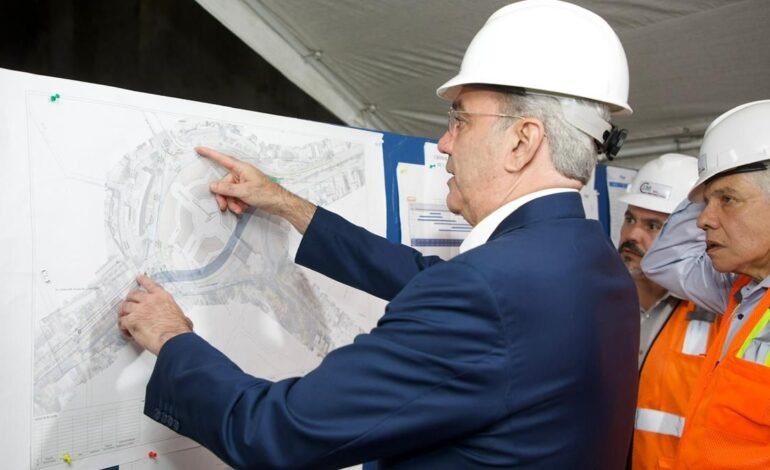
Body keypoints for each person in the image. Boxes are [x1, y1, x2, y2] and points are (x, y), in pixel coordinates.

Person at [118, 1, 639, 468]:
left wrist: (172, 339)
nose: (444, 143)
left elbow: (276, 432)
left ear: (522, 142)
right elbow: (427, 279)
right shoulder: (596, 264)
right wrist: (287, 204)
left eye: (460, 121)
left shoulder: (484, 291)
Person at [641, 100, 770, 469]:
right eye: (705, 203)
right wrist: (707, 186)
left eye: (727, 199)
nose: (702, 220)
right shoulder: (742, 292)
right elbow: (665, 261)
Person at [617, 154, 722, 469]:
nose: (632, 236)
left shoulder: (720, 311)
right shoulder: (601, 303)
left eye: (653, 225)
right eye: (630, 219)